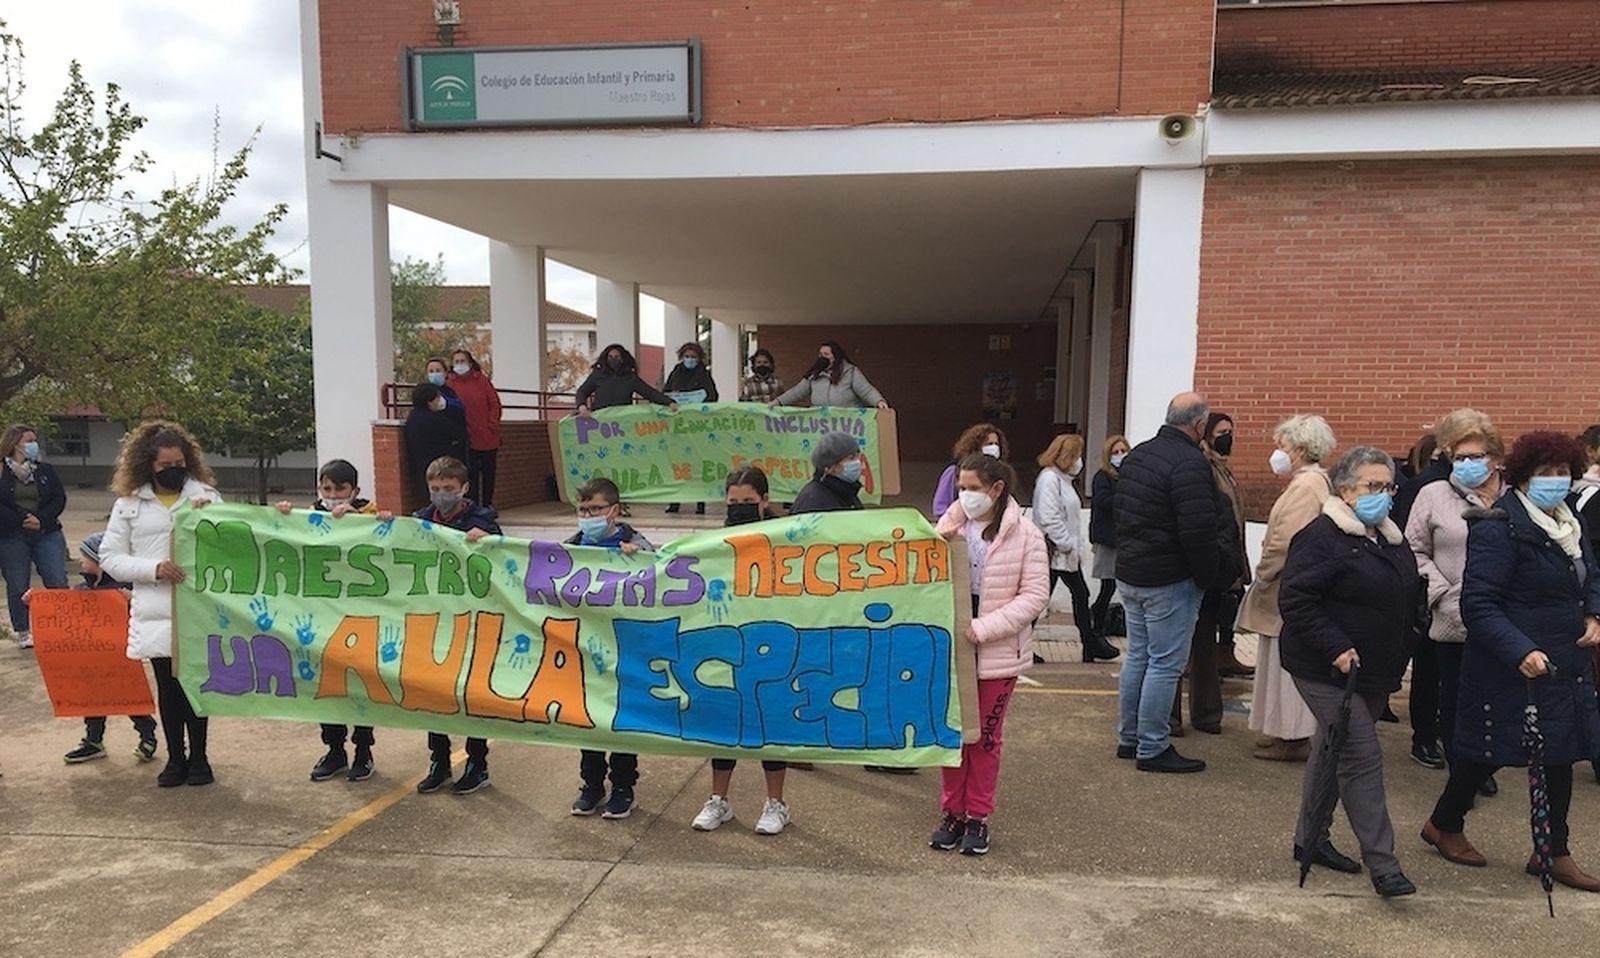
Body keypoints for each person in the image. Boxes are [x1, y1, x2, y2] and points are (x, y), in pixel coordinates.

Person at [1421, 431, 1600, 892]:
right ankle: (1445, 822)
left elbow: (1589, 575)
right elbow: (1478, 603)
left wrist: (1594, 613)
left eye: (1563, 473)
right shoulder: (1498, 526)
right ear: (1522, 476)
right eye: (1546, 473)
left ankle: (1551, 851)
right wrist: (1519, 649)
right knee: (1487, 753)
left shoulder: (1568, 524)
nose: (1555, 481)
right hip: (1510, 664)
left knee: (1559, 754)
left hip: (1563, 662)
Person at [1279, 446, 1421, 898]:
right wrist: (1336, 645)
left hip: (1376, 671)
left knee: (1331, 751)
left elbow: (1407, 594)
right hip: (1324, 667)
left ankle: (1310, 839)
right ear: (1344, 489)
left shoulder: (1389, 538)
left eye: (1388, 487)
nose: (1382, 495)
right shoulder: (1322, 536)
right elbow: (1297, 600)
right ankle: (1384, 865)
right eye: (1371, 486)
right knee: (1360, 754)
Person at [931, 454, 1049, 855]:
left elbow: (1034, 596)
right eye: (961, 488)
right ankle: (952, 812)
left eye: (973, 489)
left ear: (997, 490)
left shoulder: (1027, 535)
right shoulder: (947, 528)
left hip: (997, 654)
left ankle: (977, 817)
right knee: (952, 735)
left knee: (983, 739)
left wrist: (983, 629)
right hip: (952, 652)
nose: (965, 496)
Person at [99, 421, 223, 787]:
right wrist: (153, 569)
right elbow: (111, 556)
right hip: (156, 609)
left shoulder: (207, 497)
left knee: (194, 686)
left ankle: (200, 756)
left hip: (197, 608)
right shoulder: (128, 505)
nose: (174, 471)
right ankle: (175, 758)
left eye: (179, 463)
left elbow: (229, 545)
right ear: (147, 466)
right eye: (165, 466)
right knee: (168, 688)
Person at [1112, 393, 1221, 773]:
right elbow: (1199, 531)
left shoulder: (1139, 454)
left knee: (1138, 657)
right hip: (1169, 578)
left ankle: (1130, 737)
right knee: (1164, 664)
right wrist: (1209, 578)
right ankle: (1153, 746)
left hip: (1132, 572)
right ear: (1200, 425)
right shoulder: (1191, 464)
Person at [1404, 410, 1506, 794]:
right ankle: (1463, 770)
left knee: (1493, 698)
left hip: (1501, 619)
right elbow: (1413, 550)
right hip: (1451, 615)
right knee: (1456, 697)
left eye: (1475, 456)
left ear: (1496, 457)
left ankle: (1484, 761)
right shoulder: (1433, 495)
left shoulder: (1515, 498)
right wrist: (1443, 594)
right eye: (1459, 457)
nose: (1466, 464)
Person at [692, 467, 794, 836]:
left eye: (748, 502)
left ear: (765, 501)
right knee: (725, 723)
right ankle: (719, 800)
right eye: (733, 502)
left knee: (771, 723)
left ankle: (776, 804)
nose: (739, 508)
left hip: (773, 644)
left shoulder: (786, 540)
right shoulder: (714, 543)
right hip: (729, 645)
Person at [1238, 414, 1336, 763]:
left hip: (1286, 588)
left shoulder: (1306, 487)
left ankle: (1291, 736)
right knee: (1280, 660)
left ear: (1300, 449)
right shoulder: (1313, 484)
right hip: (1294, 585)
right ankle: (1281, 731)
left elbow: (1285, 539)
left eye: (1282, 446)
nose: (1277, 453)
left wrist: (1264, 572)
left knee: (1285, 663)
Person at [275, 459, 381, 783]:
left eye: (340, 489)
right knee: (326, 683)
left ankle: (363, 749)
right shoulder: (310, 516)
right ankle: (334, 749)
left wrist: (357, 522)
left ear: (355, 491)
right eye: (326, 489)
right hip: (321, 615)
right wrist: (281, 518)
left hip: (362, 615)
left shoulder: (369, 515)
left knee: (361, 683)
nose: (332, 495)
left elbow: (384, 540)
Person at [405, 456, 501, 796]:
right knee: (432, 695)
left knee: (470, 694)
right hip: (432, 622)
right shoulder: (418, 521)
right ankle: (439, 760)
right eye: (435, 489)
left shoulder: (484, 521)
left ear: (464, 488)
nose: (442, 494)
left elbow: (505, 562)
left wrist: (488, 539)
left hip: (472, 623)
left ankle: (477, 762)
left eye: (448, 488)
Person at [564, 477, 652, 820]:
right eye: (583, 510)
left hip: (623, 649)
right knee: (587, 717)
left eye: (596, 509)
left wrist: (640, 559)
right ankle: (591, 785)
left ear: (613, 511)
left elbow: (659, 581)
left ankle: (623, 787)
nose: (589, 515)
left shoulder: (637, 547)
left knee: (620, 719)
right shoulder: (569, 549)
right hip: (584, 649)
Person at [48, 533, 159, 765]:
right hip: (94, 658)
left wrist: (131, 599)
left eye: (84, 556)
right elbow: (58, 605)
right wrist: (34, 600)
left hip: (121, 656)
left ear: (99, 560)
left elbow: (147, 606)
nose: (80, 561)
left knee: (126, 695)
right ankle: (93, 740)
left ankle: (147, 733)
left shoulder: (124, 589)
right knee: (94, 697)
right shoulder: (83, 589)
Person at [1172, 412, 1250, 735]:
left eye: (1231, 431)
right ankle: (1172, 717)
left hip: (1222, 566)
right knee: (1177, 648)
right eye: (1221, 431)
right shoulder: (1202, 468)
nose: (1227, 437)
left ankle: (1206, 713)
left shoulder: (1224, 470)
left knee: (1205, 642)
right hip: (1201, 569)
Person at [1033, 433, 1118, 662]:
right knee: (1045, 598)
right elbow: (1049, 515)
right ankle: (1089, 644)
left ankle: (1090, 644)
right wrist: (1066, 544)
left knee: (1079, 595)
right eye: (1077, 455)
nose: (1079, 461)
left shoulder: (1063, 480)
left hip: (1064, 554)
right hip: (1055, 552)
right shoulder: (1050, 479)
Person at [0, 424, 68, 650]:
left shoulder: (44, 469)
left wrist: (41, 519)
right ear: (15, 443)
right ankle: (23, 631)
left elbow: (58, 498)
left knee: (57, 578)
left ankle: (64, 626)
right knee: (18, 582)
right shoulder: (2, 471)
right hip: (12, 534)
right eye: (29, 440)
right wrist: (21, 519)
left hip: (46, 531)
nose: (33, 445)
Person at [662, 342, 718, 515]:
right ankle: (675, 501)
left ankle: (700, 502)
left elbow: (713, 395)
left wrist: (699, 405)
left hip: (697, 426)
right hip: (678, 425)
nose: (690, 360)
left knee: (698, 461)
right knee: (677, 463)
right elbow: (665, 393)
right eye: (687, 356)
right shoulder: (676, 372)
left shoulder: (704, 374)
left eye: (693, 357)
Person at [446, 349, 503, 508]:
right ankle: (473, 506)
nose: (459, 365)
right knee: (469, 475)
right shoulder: (450, 383)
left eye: (462, 361)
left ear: (470, 363)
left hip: (487, 436)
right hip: (466, 437)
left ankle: (487, 506)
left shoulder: (482, 381)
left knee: (488, 474)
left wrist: (492, 424)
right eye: (456, 361)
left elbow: (494, 404)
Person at [1088, 435, 1130, 639]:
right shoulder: (1102, 477)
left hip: (1124, 538)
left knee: (1116, 583)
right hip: (1107, 538)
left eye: (1123, 451)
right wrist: (1125, 497)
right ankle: (1097, 619)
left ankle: (1099, 617)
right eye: (1116, 452)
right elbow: (1103, 503)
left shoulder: (1129, 476)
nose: (1120, 456)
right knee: (1108, 583)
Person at [404, 383, 470, 505]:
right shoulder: (435, 419)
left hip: (420, 466)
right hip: (441, 468)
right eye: (437, 398)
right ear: (430, 401)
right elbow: (460, 433)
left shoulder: (412, 418)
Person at [774, 340, 888, 409]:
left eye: (826, 354)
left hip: (847, 424)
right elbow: (796, 392)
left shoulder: (851, 372)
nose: (822, 357)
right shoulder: (814, 375)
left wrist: (879, 401)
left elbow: (867, 391)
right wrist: (777, 402)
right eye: (820, 354)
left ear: (836, 356)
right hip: (822, 424)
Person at [575, 343, 678, 413]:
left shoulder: (630, 378)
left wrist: (669, 402)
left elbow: (650, 393)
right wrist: (582, 406)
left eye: (617, 357)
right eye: (610, 357)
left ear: (623, 359)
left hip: (622, 423)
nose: (613, 360)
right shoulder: (597, 375)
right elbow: (582, 392)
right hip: (601, 421)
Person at [933, 423, 1006, 520]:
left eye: (996, 444)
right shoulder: (954, 471)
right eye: (989, 444)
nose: (994, 448)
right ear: (976, 446)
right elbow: (940, 508)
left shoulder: (1001, 473)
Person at [790, 432, 865, 514]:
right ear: (831, 467)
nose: (857, 462)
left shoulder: (847, 492)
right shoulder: (813, 500)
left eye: (858, 456)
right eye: (851, 458)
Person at [423, 357, 467, 422]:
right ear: (427, 375)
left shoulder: (450, 391)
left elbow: (461, 409)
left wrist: (446, 403)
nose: (434, 374)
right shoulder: (423, 393)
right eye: (431, 371)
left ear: (445, 373)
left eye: (438, 371)